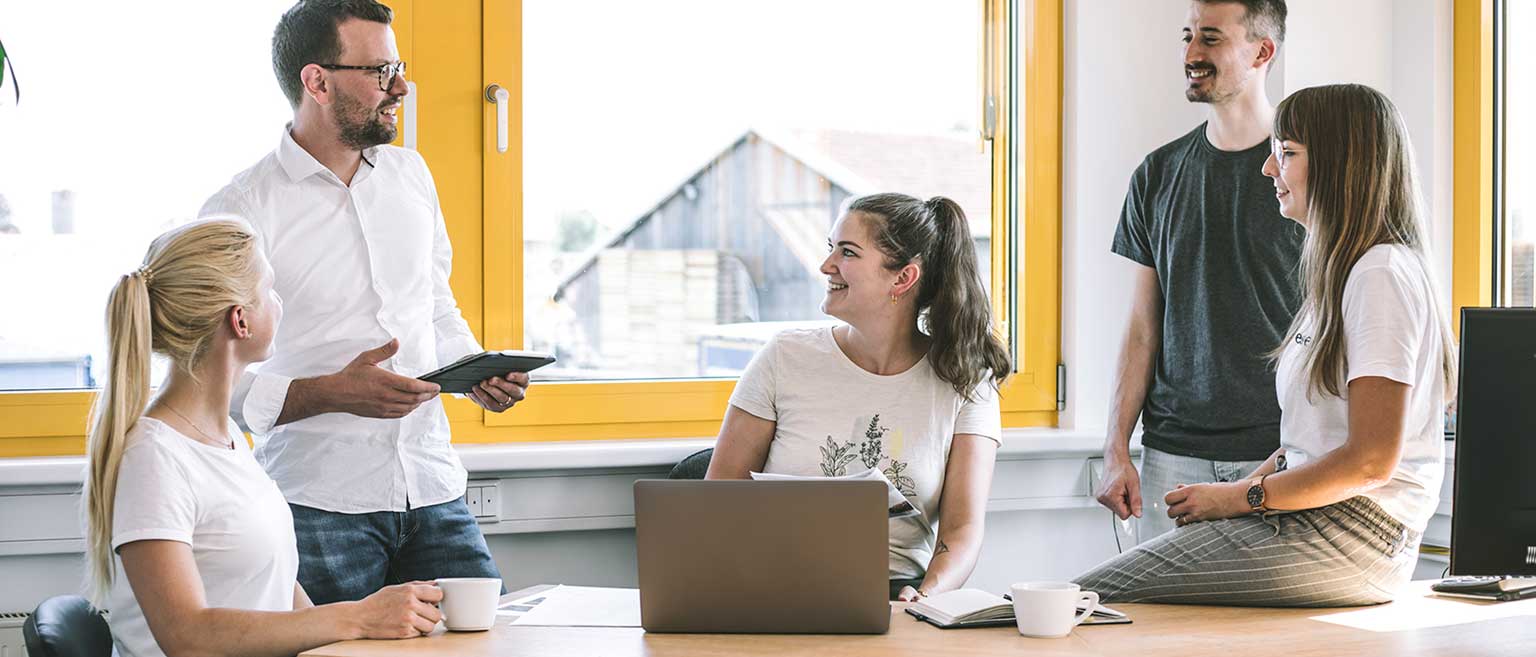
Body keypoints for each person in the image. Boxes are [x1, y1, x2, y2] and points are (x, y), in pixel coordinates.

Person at [1074, 83, 1456, 606]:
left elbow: (1370, 460)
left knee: (1093, 596)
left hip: (1355, 534)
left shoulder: (1380, 274)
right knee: (1097, 597)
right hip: (1324, 522)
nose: (1268, 169)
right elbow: (1312, 442)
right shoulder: (1344, 274)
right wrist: (1240, 493)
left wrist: (1240, 497)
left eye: (1287, 154)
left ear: (1343, 166)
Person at [199, 0, 526, 604]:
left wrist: (476, 369)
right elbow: (207, 382)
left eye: (397, 67)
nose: (400, 86)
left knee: (493, 643)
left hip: (433, 487)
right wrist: (328, 393)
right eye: (379, 71)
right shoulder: (241, 210)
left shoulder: (412, 176)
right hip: (317, 504)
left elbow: (435, 308)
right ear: (316, 81)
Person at [83, 219, 446, 657]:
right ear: (240, 320)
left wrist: (351, 638)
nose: (279, 302)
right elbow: (186, 636)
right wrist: (360, 616)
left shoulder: (228, 438)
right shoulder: (154, 457)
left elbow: (277, 588)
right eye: (270, 289)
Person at [706, 193, 1010, 601]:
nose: (826, 265)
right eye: (830, 248)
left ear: (902, 279)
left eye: (847, 253)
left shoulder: (967, 381)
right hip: (773, 589)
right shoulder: (784, 356)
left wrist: (927, 597)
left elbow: (962, 530)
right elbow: (717, 502)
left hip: (896, 594)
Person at [1095, 0, 1305, 543]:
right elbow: (1143, 326)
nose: (1191, 53)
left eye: (1210, 38)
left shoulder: (1307, 177)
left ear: (1262, 52)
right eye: (1188, 36)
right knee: (1163, 629)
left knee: (1274, 630)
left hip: (1284, 456)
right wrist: (1116, 448)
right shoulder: (1157, 174)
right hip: (1171, 459)